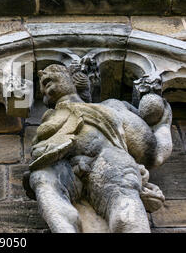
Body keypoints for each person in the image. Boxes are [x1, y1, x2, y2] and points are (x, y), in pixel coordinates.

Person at [24, 64, 172, 233]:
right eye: (42, 85)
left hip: (106, 160)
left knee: (124, 207)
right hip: (65, 166)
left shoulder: (111, 107)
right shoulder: (50, 119)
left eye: (54, 73)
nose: (44, 84)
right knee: (42, 179)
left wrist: (163, 124)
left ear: (74, 78)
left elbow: (152, 152)